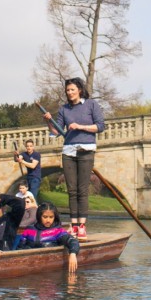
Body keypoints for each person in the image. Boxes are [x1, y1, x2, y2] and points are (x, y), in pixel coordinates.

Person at [44, 77, 105, 241]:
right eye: (67, 90)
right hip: (69, 151)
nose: (69, 93)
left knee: (82, 190)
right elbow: (56, 132)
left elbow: (100, 126)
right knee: (71, 190)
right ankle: (74, 225)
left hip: (86, 149)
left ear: (79, 89)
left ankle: (82, 226)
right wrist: (49, 122)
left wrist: (80, 126)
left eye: (72, 89)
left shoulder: (91, 105)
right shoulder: (64, 109)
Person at [17, 202, 80, 273]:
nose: (48, 220)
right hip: (28, 266)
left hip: (48, 270)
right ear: (39, 216)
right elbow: (19, 248)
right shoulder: (29, 230)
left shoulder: (57, 231)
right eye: (45, 217)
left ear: (54, 217)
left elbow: (72, 241)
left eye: (51, 217)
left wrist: (73, 253)